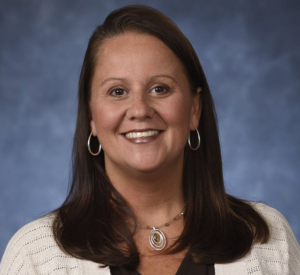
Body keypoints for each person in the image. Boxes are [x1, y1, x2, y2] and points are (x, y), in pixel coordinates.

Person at [0, 5, 299, 275]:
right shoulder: (35, 257)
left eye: (160, 89)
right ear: (91, 117)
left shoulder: (268, 238)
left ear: (194, 110)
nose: (140, 110)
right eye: (118, 92)